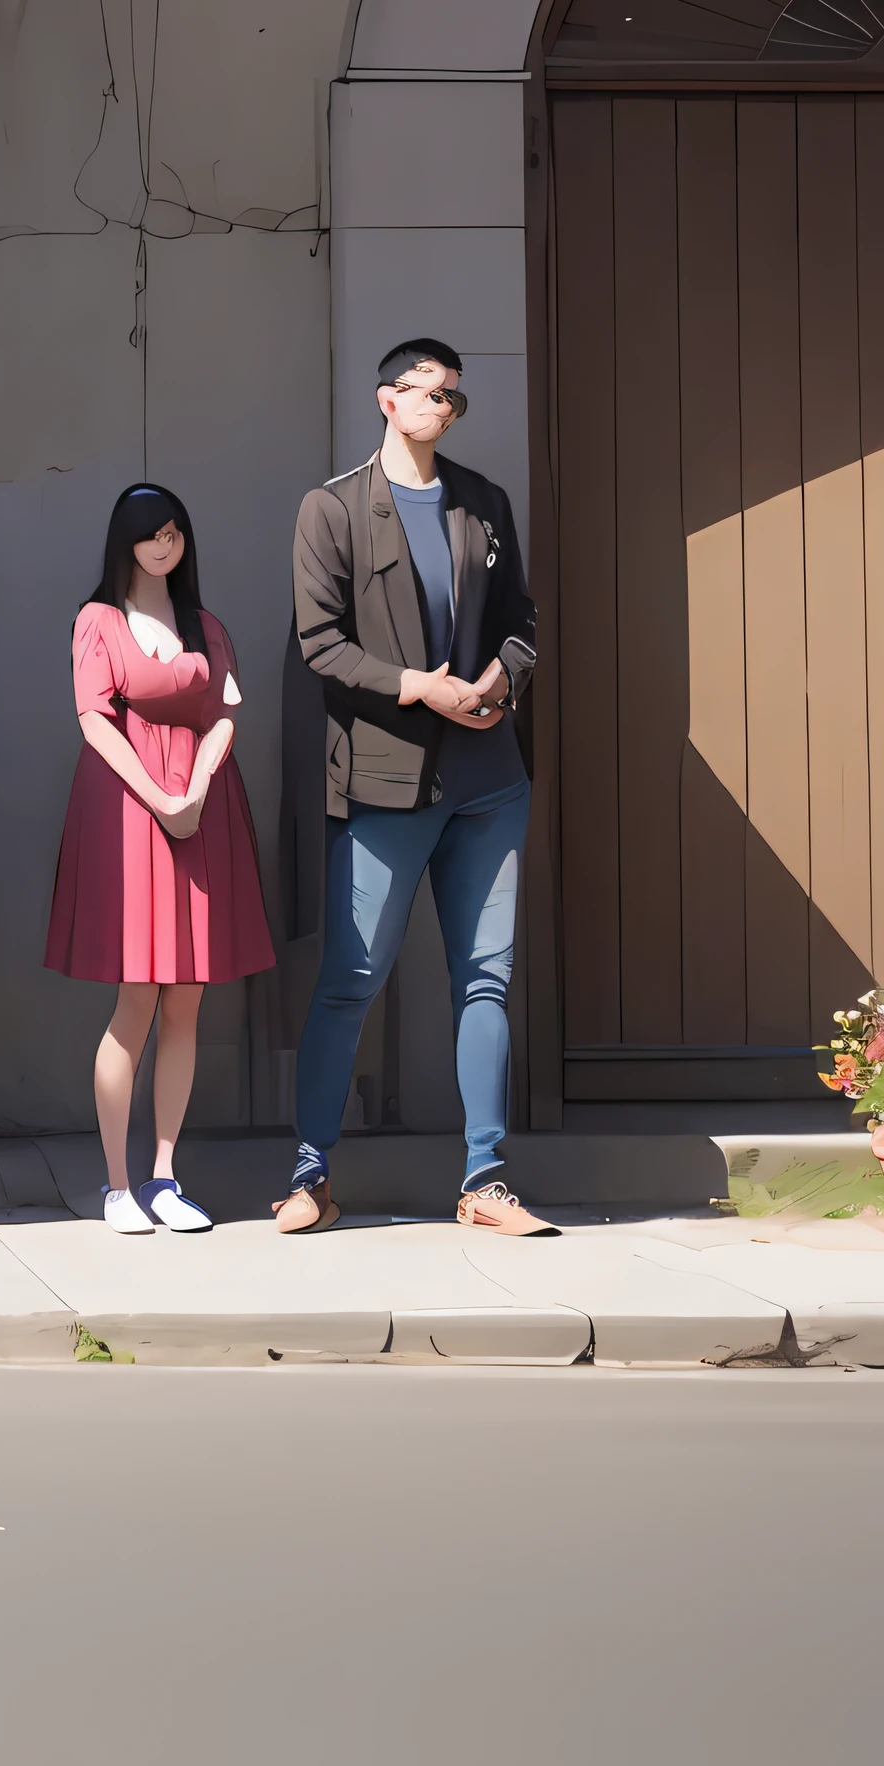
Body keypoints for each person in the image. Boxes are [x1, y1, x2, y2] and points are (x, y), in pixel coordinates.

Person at [287, 338, 557, 1238]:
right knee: (349, 981)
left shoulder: (484, 504)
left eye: (455, 399)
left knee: (487, 979)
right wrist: (420, 686)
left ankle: (486, 1180)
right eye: (429, 393)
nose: (443, 408)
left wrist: (499, 685)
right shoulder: (331, 510)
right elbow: (319, 646)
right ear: (387, 400)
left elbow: (521, 622)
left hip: (488, 780)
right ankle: (311, 1178)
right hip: (385, 780)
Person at [44, 482, 272, 1234]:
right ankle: (117, 1184)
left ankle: (165, 1176)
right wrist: (158, 795)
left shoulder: (206, 623)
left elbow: (226, 714)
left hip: (203, 814)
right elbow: (94, 722)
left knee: (188, 1000)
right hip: (128, 812)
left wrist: (198, 788)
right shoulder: (98, 620)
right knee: (137, 995)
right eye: (150, 533)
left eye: (174, 531)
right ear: (124, 541)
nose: (164, 544)